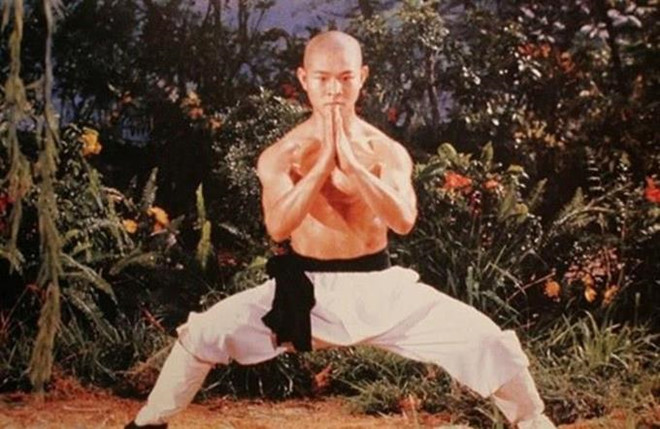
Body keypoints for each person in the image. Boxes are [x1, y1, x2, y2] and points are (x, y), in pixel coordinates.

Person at [126, 31, 556, 429]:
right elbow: (278, 226)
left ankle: (535, 424)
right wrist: (320, 167)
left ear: (362, 77)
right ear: (304, 79)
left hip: (382, 290)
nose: (334, 89)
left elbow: (403, 220)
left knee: (488, 341)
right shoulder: (283, 154)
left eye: (346, 77)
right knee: (204, 333)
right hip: (303, 293)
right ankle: (147, 424)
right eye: (323, 78)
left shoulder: (385, 150)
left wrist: (352, 165)